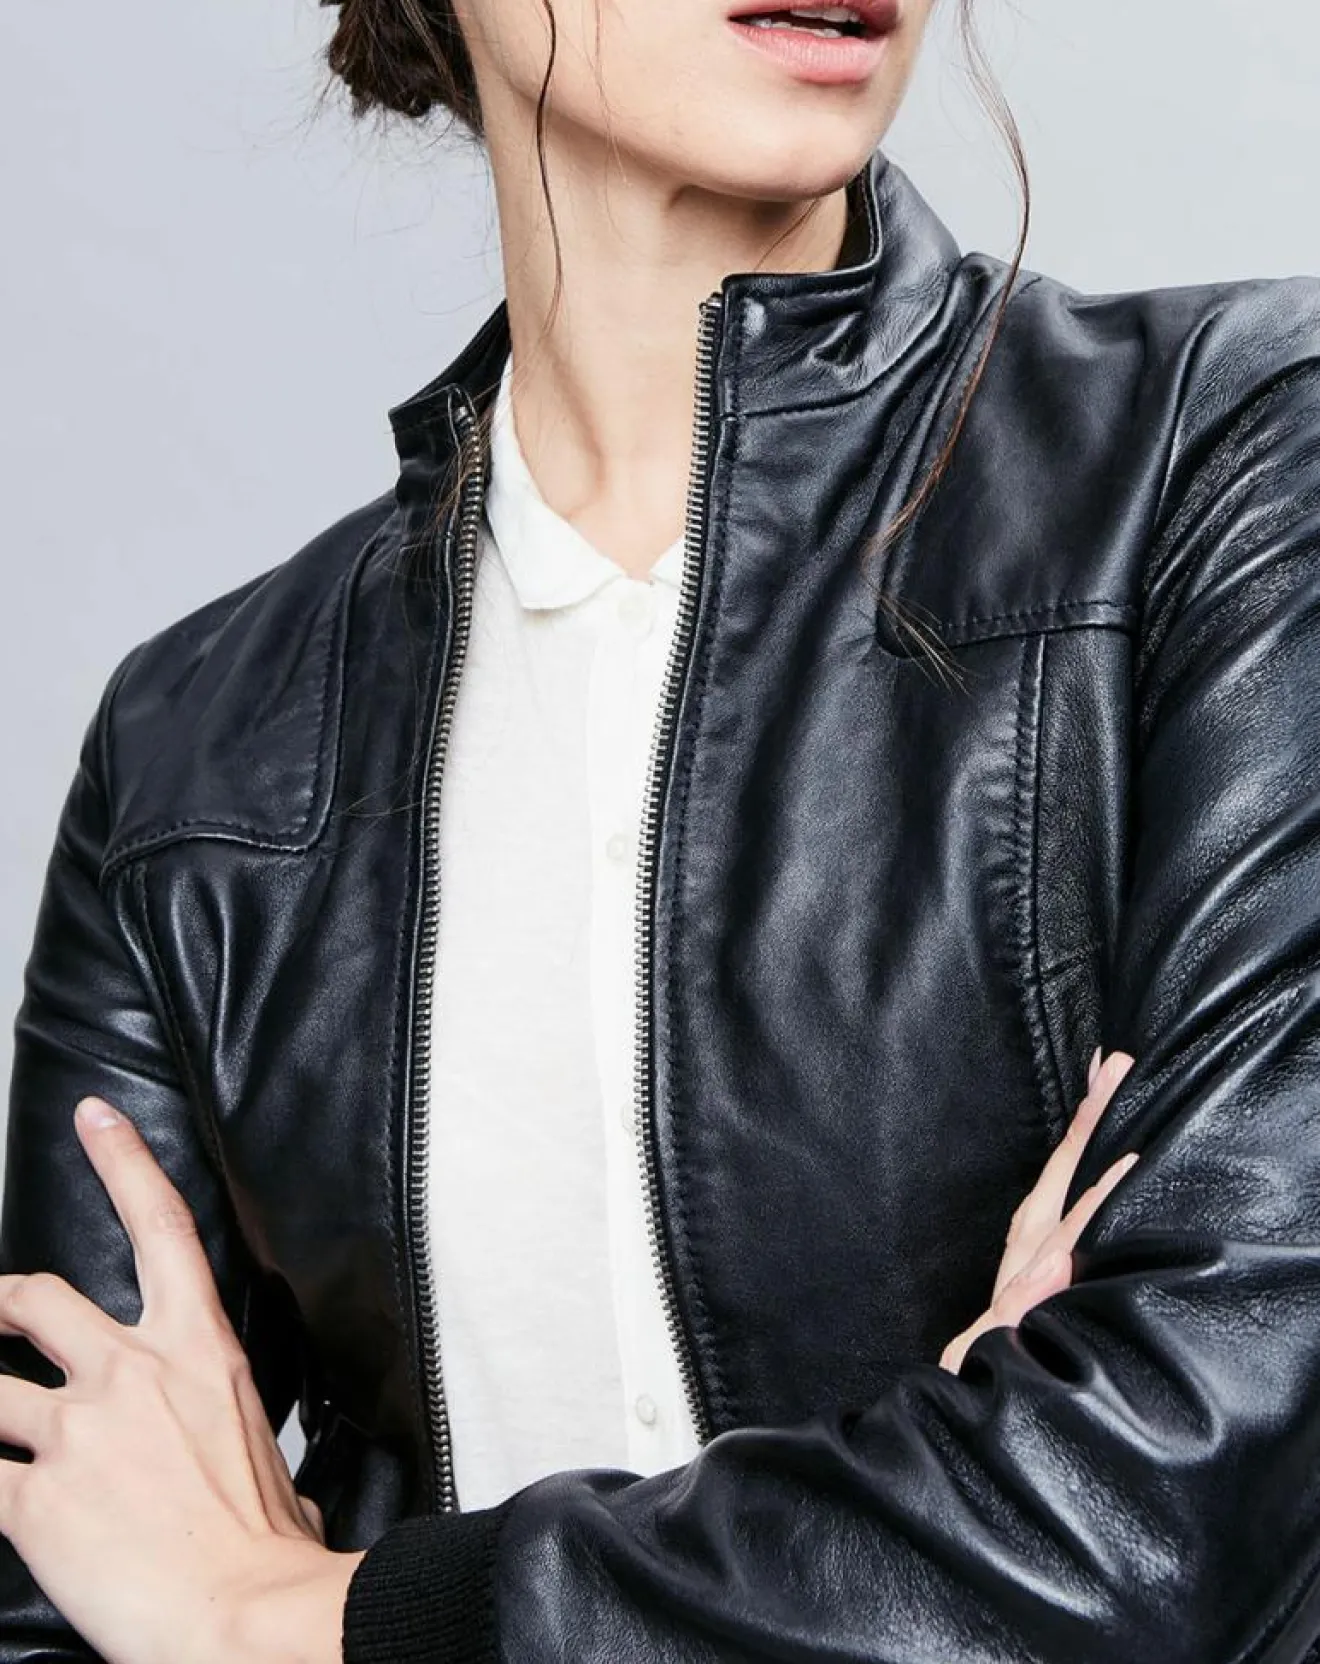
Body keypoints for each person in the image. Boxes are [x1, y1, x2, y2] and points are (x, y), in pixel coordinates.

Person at [2, 0, 1320, 1657]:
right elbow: (63, 1587)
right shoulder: (197, 758)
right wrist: (940, 1521)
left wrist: (297, 1617)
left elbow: (1170, 1517)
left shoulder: (1229, 472)